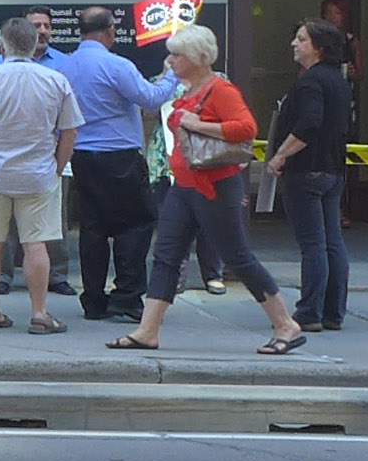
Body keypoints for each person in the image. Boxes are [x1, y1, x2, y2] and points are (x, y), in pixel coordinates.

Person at [111, 26, 307, 358]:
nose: (170, 60)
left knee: (236, 256)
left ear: (198, 58)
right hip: (185, 185)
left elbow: (246, 128)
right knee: (166, 256)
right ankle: (147, 330)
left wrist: (197, 124)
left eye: (177, 55)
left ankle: (285, 323)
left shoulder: (221, 90)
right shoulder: (190, 89)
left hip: (215, 186)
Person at [0, 14, 80, 335]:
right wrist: (57, 166)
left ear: (2, 45)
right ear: (34, 44)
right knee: (36, 243)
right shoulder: (55, 81)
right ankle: (39, 313)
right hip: (38, 173)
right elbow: (69, 131)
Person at [60, 5, 177, 323]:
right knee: (135, 223)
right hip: (120, 154)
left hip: (83, 155)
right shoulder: (116, 65)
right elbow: (151, 99)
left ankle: (93, 299)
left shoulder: (66, 67)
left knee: (93, 228)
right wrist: (170, 74)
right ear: (109, 31)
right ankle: (126, 294)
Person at [266, 16, 353, 335]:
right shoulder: (338, 80)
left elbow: (309, 123)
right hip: (332, 169)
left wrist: (280, 154)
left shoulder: (310, 82)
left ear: (319, 48)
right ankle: (333, 311)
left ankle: (309, 310)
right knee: (332, 240)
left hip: (306, 171)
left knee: (313, 243)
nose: (294, 44)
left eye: (302, 39)